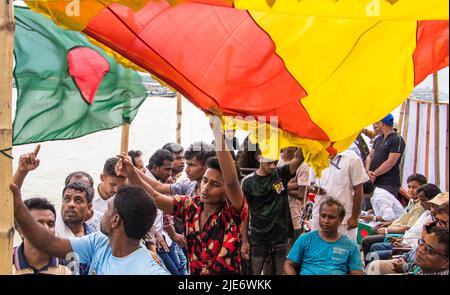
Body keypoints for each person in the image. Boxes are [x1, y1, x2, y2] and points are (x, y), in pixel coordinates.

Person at [115, 116, 248, 274]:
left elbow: (232, 181)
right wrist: (131, 173)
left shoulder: (232, 213)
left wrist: (218, 133)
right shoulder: (189, 206)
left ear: (228, 191)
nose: (206, 187)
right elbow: (156, 196)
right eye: (205, 180)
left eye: (216, 184)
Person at [11, 147, 168, 275]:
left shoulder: (149, 271)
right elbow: (48, 243)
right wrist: (17, 204)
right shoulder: (101, 243)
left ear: (115, 221)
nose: (100, 215)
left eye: (108, 210)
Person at [241, 143, 304, 275]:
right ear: (258, 157)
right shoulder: (248, 183)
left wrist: (301, 138)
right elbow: (244, 215)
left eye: (275, 162)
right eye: (269, 162)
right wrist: (244, 241)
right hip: (258, 239)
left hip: (280, 238)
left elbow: (299, 159)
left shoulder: (281, 174)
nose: (273, 166)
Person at [284, 198, 363, 275]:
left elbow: (356, 272)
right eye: (323, 216)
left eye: (331, 217)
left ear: (340, 220)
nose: (326, 221)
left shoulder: (350, 246)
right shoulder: (305, 239)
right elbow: (288, 265)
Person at [364, 187, 445, 263]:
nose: (433, 209)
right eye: (433, 206)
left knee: (372, 250)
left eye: (436, 206)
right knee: (372, 244)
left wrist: (387, 231)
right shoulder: (426, 214)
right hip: (404, 242)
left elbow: (422, 246)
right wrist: (401, 238)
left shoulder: (434, 224)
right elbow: (411, 229)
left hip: (409, 249)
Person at [366, 202, 448, 275]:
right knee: (373, 263)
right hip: (407, 260)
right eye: (437, 221)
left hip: (409, 266)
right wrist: (403, 256)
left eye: (443, 222)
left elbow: (424, 266)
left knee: (373, 253)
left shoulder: (441, 244)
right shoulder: (431, 231)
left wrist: (405, 267)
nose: (438, 225)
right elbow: (416, 250)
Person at [310, 149, 369, 242]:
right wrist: (315, 189)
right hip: (320, 217)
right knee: (318, 252)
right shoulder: (316, 156)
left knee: (344, 253)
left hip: (345, 221)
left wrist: (355, 217)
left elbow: (358, 189)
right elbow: (312, 183)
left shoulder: (352, 158)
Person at [360, 174, 427, 253]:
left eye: (414, 187)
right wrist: (388, 223)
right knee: (372, 231)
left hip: (399, 234)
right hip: (394, 227)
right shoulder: (412, 200)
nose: (411, 190)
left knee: (366, 241)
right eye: (409, 187)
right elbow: (402, 219)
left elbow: (409, 228)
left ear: (422, 188)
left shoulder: (421, 205)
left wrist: (386, 230)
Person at [144, 149, 184, 275]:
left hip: (161, 236)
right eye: (167, 169)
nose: (170, 174)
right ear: (155, 167)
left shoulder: (158, 182)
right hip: (151, 240)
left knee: (179, 267)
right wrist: (155, 234)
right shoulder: (144, 184)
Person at [13, 197, 71, 275]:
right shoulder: (4, 261)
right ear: (21, 232)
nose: (46, 229)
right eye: (38, 224)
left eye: (50, 224)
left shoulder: (68, 263)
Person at [137, 141, 215, 197]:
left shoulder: (219, 191)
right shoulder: (188, 186)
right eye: (187, 164)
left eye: (191, 165)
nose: (186, 170)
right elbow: (158, 187)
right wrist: (132, 169)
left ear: (206, 166)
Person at [365, 114, 406, 199]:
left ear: (381, 123)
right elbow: (370, 156)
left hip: (388, 183)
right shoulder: (378, 139)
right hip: (373, 181)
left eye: (377, 123)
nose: (375, 125)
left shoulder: (397, 139)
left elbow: (390, 162)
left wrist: (374, 174)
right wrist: (368, 170)